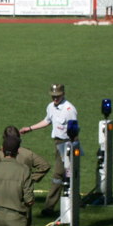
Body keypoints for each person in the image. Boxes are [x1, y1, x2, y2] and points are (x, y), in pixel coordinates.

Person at [20, 84, 77, 217]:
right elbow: (47, 121)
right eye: (53, 96)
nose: (55, 98)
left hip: (67, 144)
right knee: (67, 174)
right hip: (57, 143)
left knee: (58, 175)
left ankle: (49, 207)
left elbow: (74, 131)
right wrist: (30, 128)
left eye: (57, 96)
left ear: (63, 94)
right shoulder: (51, 107)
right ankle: (73, 202)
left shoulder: (69, 109)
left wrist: (73, 148)